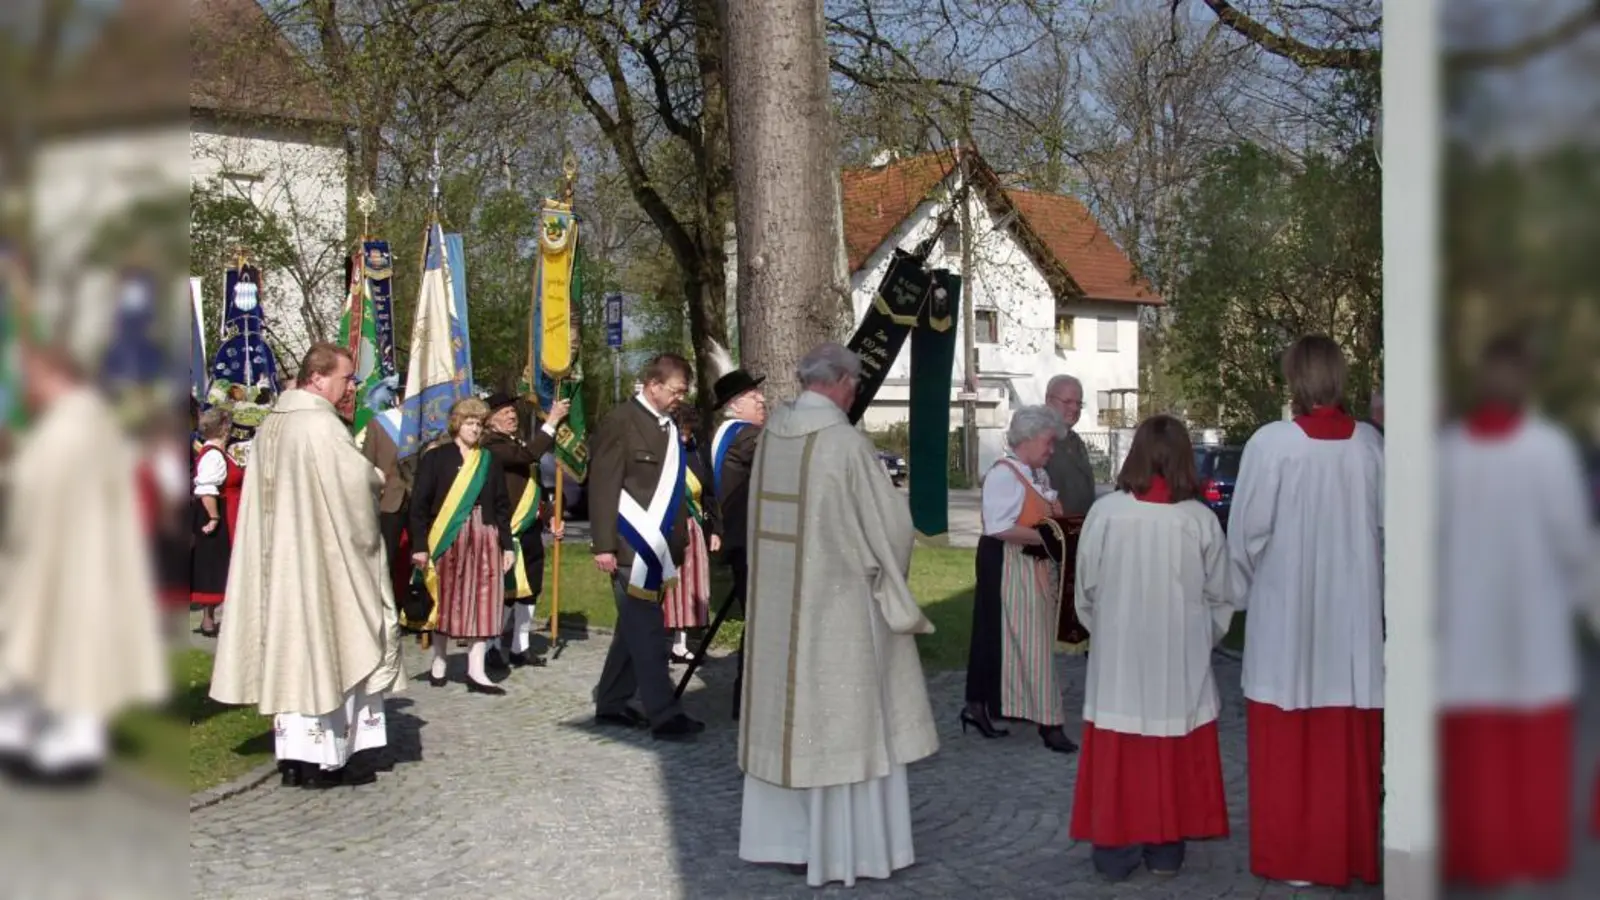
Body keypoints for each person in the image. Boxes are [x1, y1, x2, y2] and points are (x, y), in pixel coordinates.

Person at [737, 343, 938, 887]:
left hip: (780, 608)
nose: (854, 393)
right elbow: (890, 530)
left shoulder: (772, 435)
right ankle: (851, 848)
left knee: (789, 720)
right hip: (840, 612)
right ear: (843, 383)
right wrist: (888, 575)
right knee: (844, 720)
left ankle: (783, 841)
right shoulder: (845, 444)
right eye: (855, 385)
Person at [1437, 334, 1600, 889]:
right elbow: (1573, 543)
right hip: (1533, 628)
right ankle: (1526, 859)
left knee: (1479, 754)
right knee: (1528, 753)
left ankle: (1482, 855)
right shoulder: (1548, 451)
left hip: (1472, 628)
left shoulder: (1452, 451)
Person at [210, 342, 404, 789]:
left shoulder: (273, 423)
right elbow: (355, 487)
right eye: (346, 377)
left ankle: (297, 758)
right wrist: (375, 477)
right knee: (336, 646)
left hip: (282, 563)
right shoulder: (320, 425)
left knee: (293, 654)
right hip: (323, 562)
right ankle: (334, 757)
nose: (350, 386)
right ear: (317, 377)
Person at [1228, 335, 1384, 888]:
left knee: (1289, 736)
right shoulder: (1370, 447)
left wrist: (1236, 595)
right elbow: (1388, 535)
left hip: (1287, 616)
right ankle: (1348, 853)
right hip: (1353, 620)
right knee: (1347, 740)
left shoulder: (1272, 446)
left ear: (1293, 380)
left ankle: (1295, 858)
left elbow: (1245, 534)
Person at [1070, 415, 1234, 880]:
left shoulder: (1107, 514)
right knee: (1170, 747)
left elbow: (1087, 588)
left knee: (1120, 749)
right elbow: (1221, 595)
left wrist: (1105, 630)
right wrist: (1199, 636)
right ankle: (1165, 847)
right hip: (1177, 657)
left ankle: (1115, 850)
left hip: (1120, 656)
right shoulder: (1199, 520)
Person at [0, 341, 168, 784]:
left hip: (75, 558)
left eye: (31, 380)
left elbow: (36, 489)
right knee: (46, 648)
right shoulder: (81, 422)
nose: (27, 390)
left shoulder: (73, 426)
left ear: (52, 376)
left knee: (76, 653)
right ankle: (29, 733)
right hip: (68, 554)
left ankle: (74, 747)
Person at [587, 353, 704, 740]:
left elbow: (671, 492)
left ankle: (612, 702)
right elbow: (603, 485)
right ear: (653, 385)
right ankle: (665, 715)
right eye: (676, 391)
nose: (679, 399)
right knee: (651, 633)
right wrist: (603, 545)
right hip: (627, 546)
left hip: (658, 547)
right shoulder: (620, 422)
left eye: (683, 392)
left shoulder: (668, 428)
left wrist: (681, 542)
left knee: (632, 633)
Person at [961, 405, 1077, 753]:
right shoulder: (1005, 474)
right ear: (1026, 439)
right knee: (1024, 639)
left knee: (1004, 637)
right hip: (1008, 561)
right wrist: (1050, 536)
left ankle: (982, 705)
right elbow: (998, 528)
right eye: (1047, 442)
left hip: (1026, 561)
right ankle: (1048, 722)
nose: (1051, 449)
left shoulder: (1033, 473)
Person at [409, 398, 516, 695]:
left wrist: (507, 546)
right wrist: (419, 545)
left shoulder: (489, 460)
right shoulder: (436, 458)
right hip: (448, 538)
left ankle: (477, 669)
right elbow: (418, 504)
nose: (474, 429)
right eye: (469, 423)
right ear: (457, 424)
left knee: (485, 599)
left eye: (479, 424)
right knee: (447, 597)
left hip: (484, 536)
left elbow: (502, 505)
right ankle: (440, 660)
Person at [480, 391, 569, 669]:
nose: (511, 415)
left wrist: (551, 514)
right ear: (490, 420)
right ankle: (491, 646)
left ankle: (521, 647)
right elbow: (527, 455)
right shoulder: (491, 444)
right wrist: (552, 421)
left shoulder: (513, 442)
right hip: (506, 530)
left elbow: (534, 485)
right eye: (504, 412)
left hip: (528, 527)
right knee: (505, 592)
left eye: (512, 411)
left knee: (530, 589)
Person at [705, 352, 766, 717]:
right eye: (753, 397)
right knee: (762, 622)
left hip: (739, 542)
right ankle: (749, 701)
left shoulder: (724, 436)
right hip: (752, 545)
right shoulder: (746, 437)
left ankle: (748, 699)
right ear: (735, 405)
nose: (761, 400)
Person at [661, 404, 720, 664]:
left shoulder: (696, 453)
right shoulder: (663, 453)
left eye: (688, 432)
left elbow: (709, 492)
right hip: (667, 530)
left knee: (690, 587)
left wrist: (715, 529)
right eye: (680, 432)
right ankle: (659, 640)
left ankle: (680, 644)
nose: (685, 437)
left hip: (693, 528)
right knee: (669, 587)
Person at [191, 407, 243, 637]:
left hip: (227, 511)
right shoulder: (213, 454)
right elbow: (206, 489)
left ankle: (211, 620)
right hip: (223, 513)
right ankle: (212, 620)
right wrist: (214, 517)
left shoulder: (220, 452)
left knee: (218, 565)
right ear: (224, 427)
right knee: (219, 565)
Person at [1042, 374, 1098, 516]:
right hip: (1050, 530)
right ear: (1049, 401)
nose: (1074, 408)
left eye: (1079, 403)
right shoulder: (1037, 438)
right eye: (1067, 402)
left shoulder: (1075, 441)